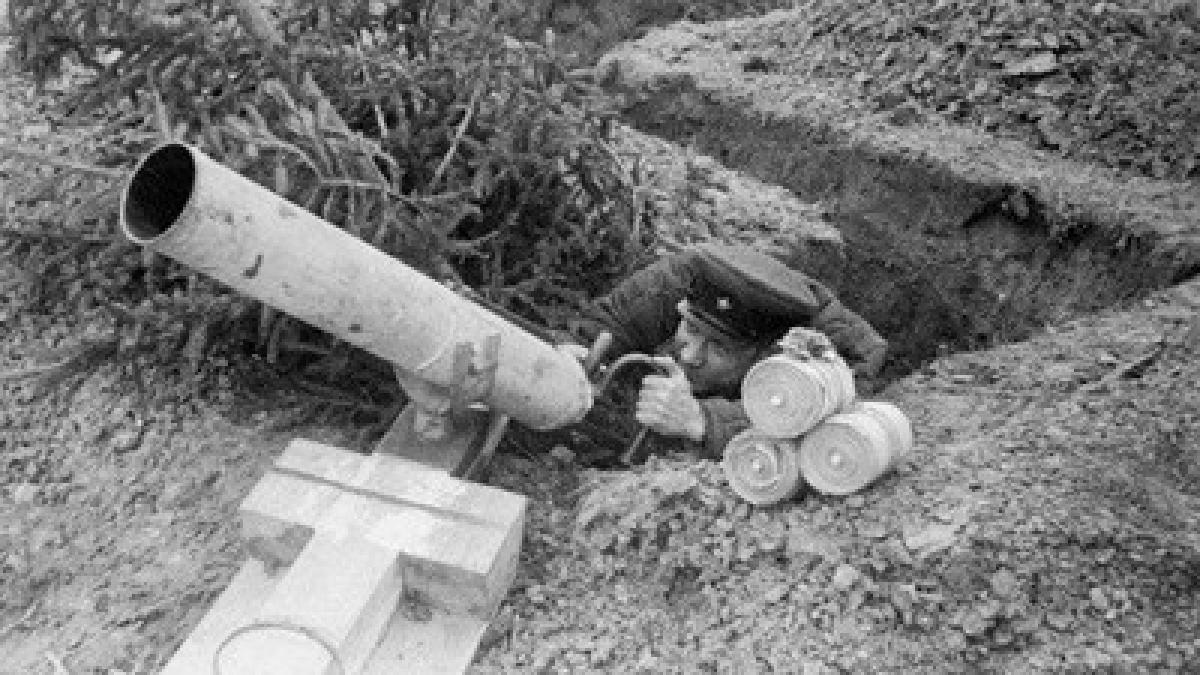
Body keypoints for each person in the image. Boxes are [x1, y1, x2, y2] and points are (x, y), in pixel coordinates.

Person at [572, 242, 886, 461]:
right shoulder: (681, 279)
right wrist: (579, 357)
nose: (690, 356)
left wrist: (702, 420)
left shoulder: (831, 350)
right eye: (691, 329)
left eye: (719, 348)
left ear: (766, 355)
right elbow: (604, 324)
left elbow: (825, 420)